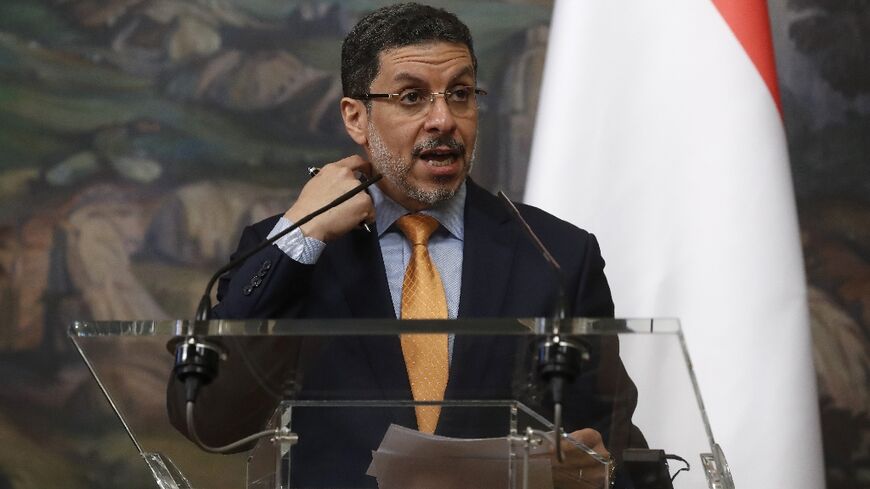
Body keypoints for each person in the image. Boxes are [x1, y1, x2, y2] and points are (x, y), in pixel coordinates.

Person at [169, 3, 644, 487]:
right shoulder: (289, 249)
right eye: (412, 97)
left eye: (460, 94)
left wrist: (593, 470)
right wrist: (300, 234)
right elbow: (210, 420)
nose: (443, 119)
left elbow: (609, 442)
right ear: (357, 118)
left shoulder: (555, 253)